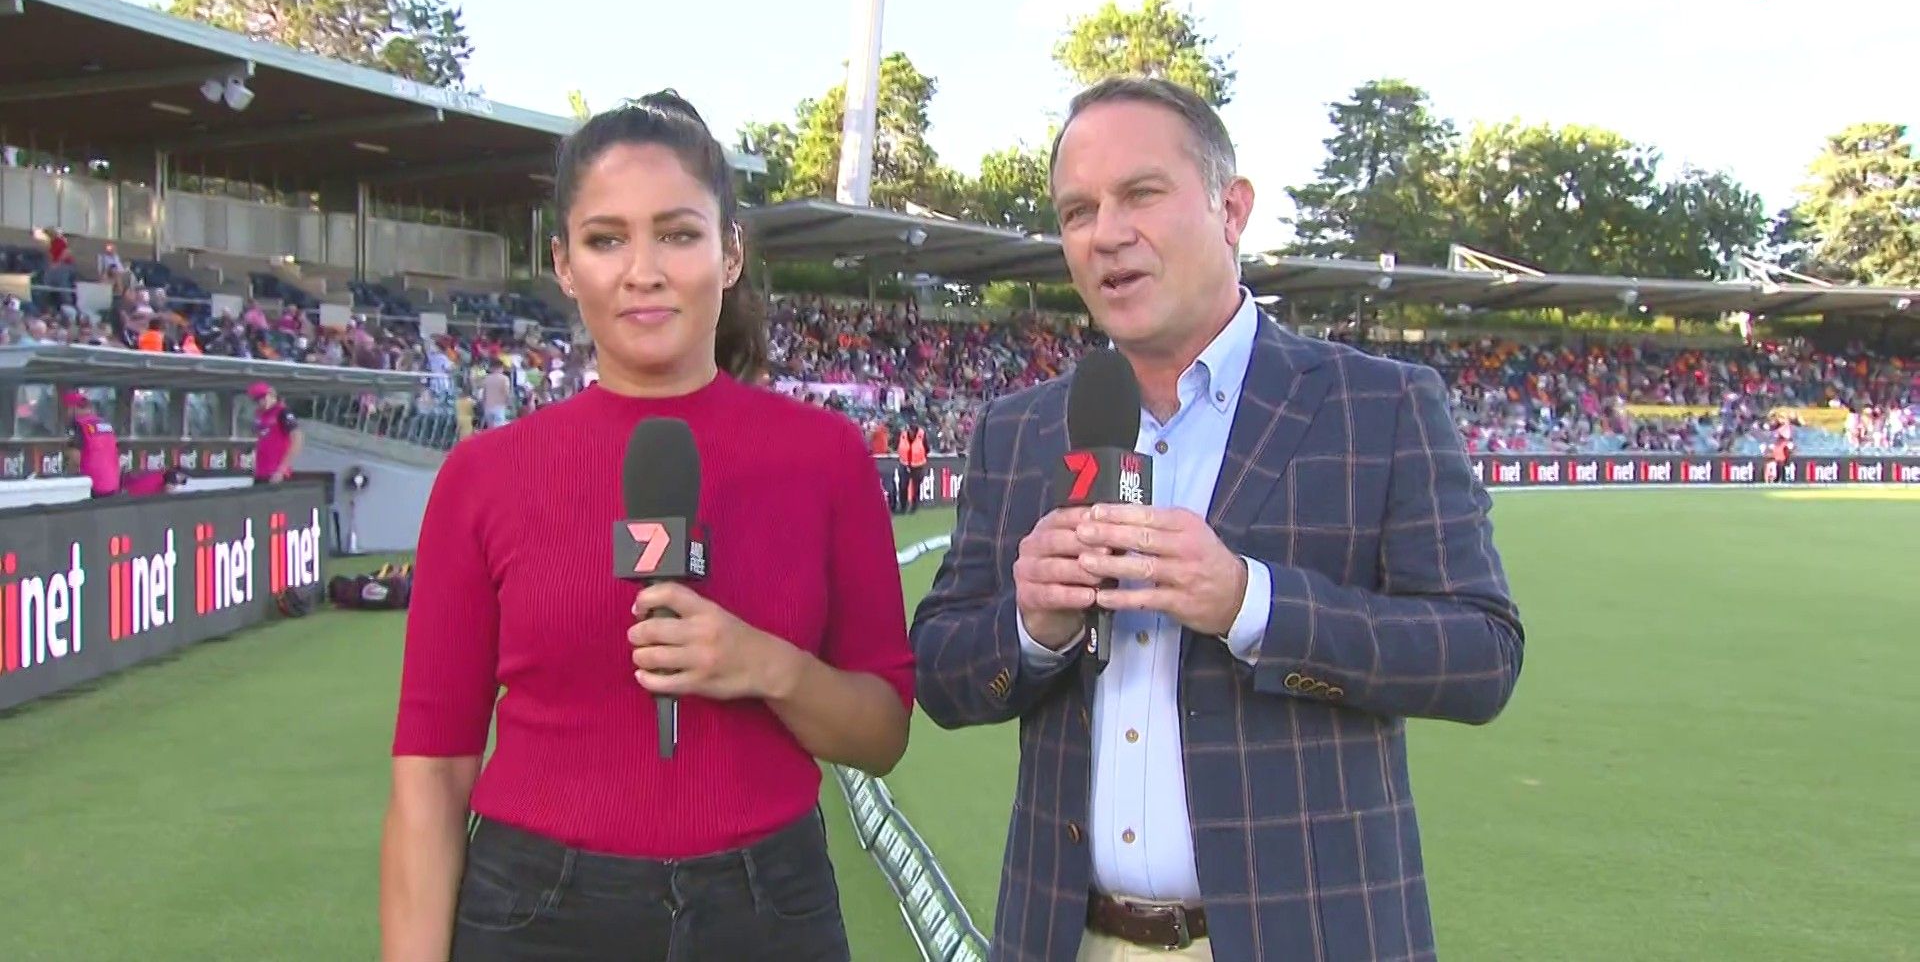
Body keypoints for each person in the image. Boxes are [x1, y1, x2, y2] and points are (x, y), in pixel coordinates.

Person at [909, 77, 1525, 961]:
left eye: (1140, 194)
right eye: (1078, 210)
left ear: (1231, 210)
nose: (1106, 233)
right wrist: (1031, 629)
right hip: (1066, 939)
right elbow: (940, 674)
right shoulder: (1020, 429)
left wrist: (1250, 602)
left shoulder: (1377, 406)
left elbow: (1482, 658)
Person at [379, 92, 915, 962]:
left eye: (676, 234)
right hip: (535, 913)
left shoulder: (826, 456)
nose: (643, 270)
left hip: (768, 906)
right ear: (563, 264)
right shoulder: (484, 476)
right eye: (605, 240)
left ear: (730, 253)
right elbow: (433, 772)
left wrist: (767, 667)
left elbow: (882, 733)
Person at [61, 390, 121, 498]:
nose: (66, 414)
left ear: (72, 408)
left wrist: (68, 483)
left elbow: (75, 459)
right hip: (112, 485)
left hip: (91, 487)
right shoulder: (106, 425)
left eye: (66, 409)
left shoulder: (79, 425)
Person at [248, 382, 302, 484]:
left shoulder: (283, 412)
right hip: (260, 472)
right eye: (256, 400)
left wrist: (281, 470)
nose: (261, 402)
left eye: (262, 397)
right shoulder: (259, 414)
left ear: (271, 394)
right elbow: (258, 439)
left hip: (276, 474)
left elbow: (297, 439)